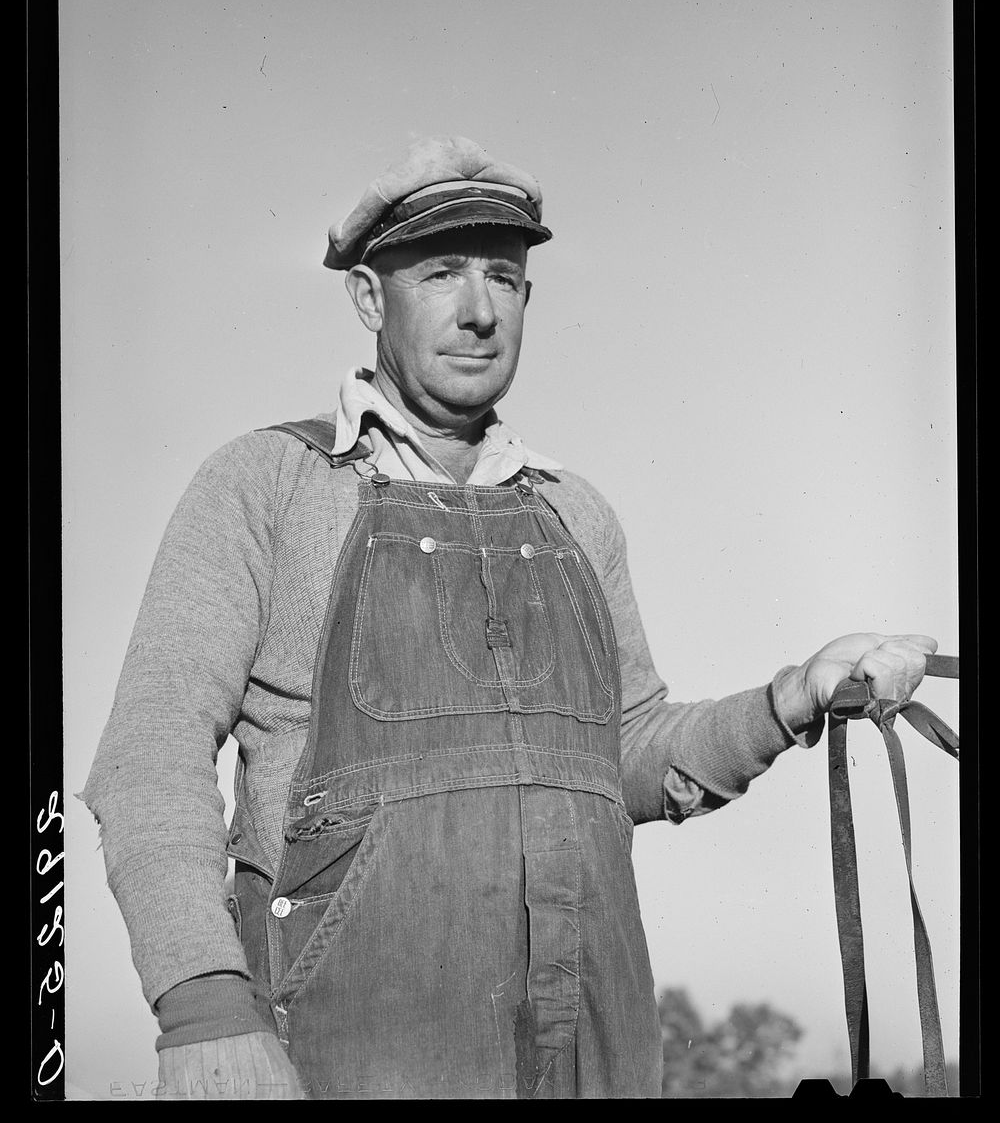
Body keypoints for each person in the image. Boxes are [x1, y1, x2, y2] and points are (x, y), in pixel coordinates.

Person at [81, 135, 937, 1101]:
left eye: (506, 277)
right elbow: (149, 754)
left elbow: (628, 752)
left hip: (593, 1048)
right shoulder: (266, 486)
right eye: (441, 272)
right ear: (370, 297)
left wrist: (797, 693)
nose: (481, 311)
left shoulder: (576, 512)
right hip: (335, 1056)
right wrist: (202, 1004)